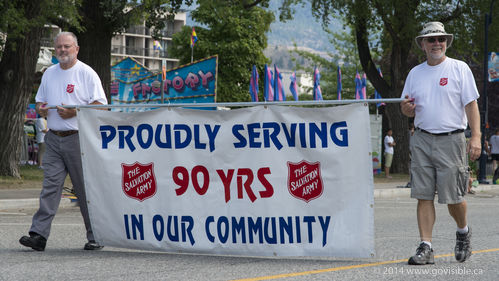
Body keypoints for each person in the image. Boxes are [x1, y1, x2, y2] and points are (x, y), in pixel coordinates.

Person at [400, 22, 481, 265]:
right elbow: (406, 108)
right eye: (432, 40)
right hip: (422, 138)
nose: (437, 43)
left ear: (446, 42)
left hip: (452, 138)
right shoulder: (415, 73)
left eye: (441, 39)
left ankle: (463, 232)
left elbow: (471, 105)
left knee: (454, 197)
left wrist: (475, 136)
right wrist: (406, 109)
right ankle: (426, 246)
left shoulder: (459, 68)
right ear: (422, 44)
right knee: (423, 195)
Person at [19, 32, 108, 251]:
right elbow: (40, 101)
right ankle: (38, 235)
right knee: (50, 187)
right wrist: (42, 109)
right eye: (58, 47)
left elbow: (101, 105)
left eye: (67, 46)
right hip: (54, 138)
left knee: (84, 190)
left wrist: (74, 112)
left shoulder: (86, 73)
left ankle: (96, 236)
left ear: (76, 49)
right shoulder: (49, 73)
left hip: (79, 139)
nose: (62, 50)